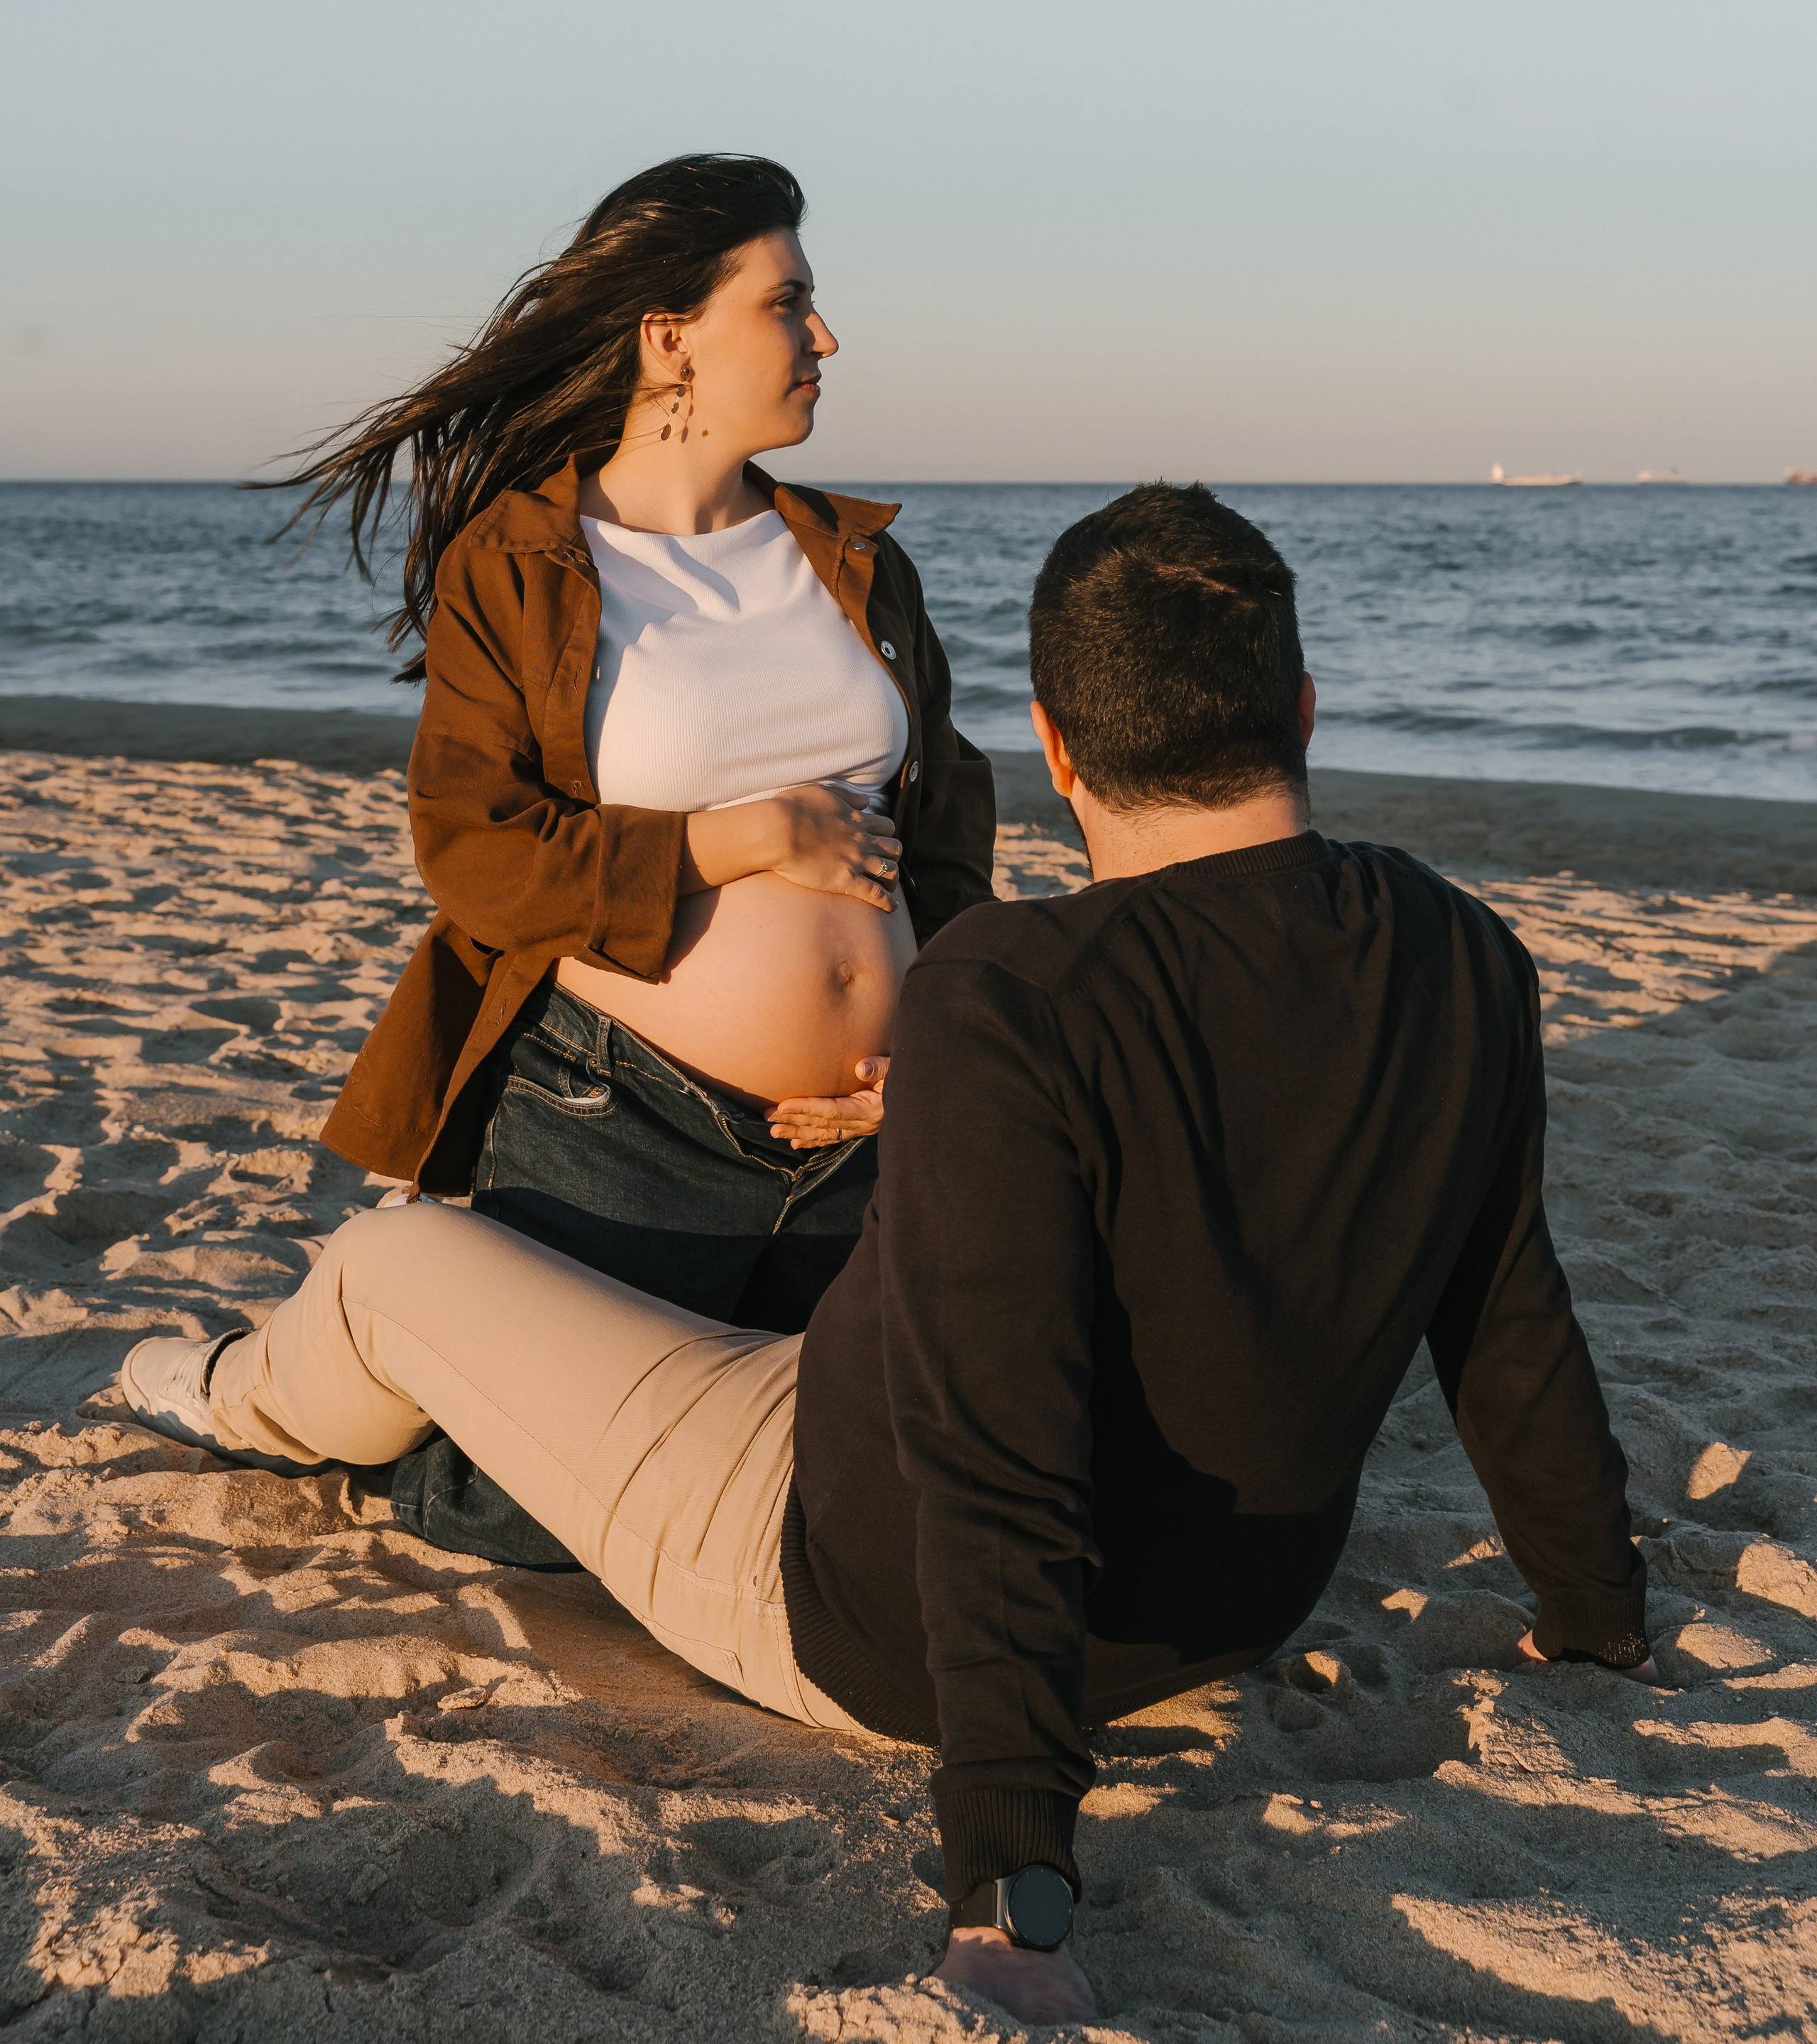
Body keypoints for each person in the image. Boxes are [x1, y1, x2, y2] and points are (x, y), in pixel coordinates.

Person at [121, 484, 1652, 2026]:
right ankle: (310, 1412)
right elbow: (1507, 1317)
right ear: (1302, 710)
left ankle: (219, 1395)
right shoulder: (1463, 947)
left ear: (1054, 747)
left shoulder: (1020, 986)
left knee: (396, 1267)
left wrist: (1012, 1886)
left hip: (855, 1607)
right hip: (1230, 1606)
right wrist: (1592, 1611)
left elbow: (1001, 1444)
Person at [268, 152, 994, 1566]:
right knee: (529, 1521)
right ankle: (323, 1410)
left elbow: (947, 842)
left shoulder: (852, 560)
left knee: (857, 1487)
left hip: (858, 1139)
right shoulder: (526, 560)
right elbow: (474, 856)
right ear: (670, 337)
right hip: (628, 1122)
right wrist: (741, 834)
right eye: (788, 305)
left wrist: (947, 1044)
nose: (824, 339)